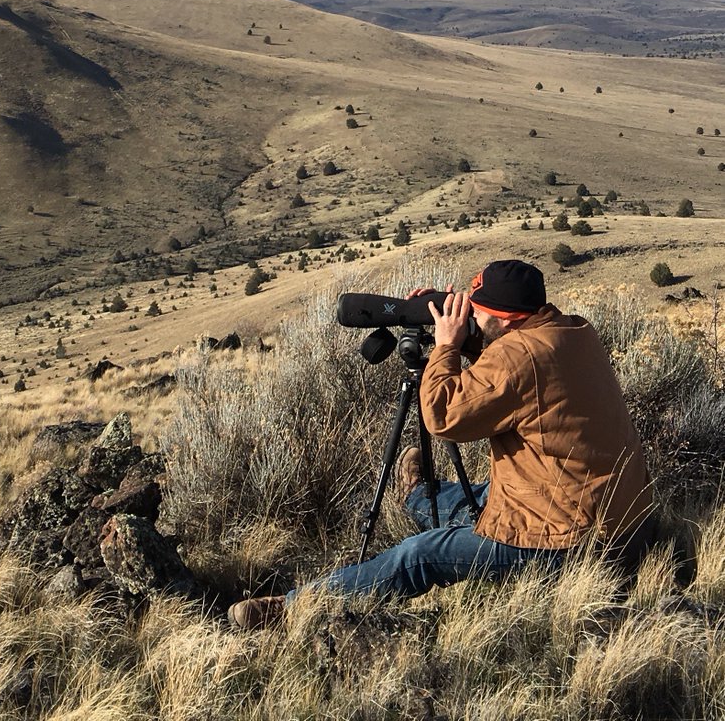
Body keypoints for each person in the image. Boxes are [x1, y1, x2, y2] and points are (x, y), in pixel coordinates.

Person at [228, 259, 655, 630]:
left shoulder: (517, 356)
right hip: (620, 519)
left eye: (478, 312)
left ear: (506, 321)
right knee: (484, 495)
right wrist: (469, 334)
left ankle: (292, 609)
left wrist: (447, 344)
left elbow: (442, 416)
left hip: (573, 546)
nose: (470, 315)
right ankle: (417, 494)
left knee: (421, 555)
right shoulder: (571, 331)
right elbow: (511, 366)